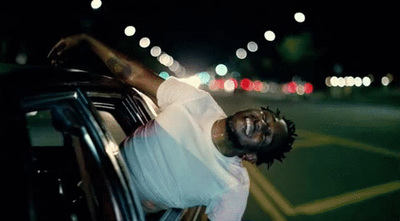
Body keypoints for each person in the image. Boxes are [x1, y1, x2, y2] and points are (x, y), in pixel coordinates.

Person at [48, 34, 296, 220]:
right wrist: (88, 41)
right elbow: (133, 76)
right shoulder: (197, 101)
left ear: (251, 156)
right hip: (77, 180)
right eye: (265, 117)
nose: (261, 124)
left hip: (116, 214)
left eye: (266, 136)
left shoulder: (232, 187)